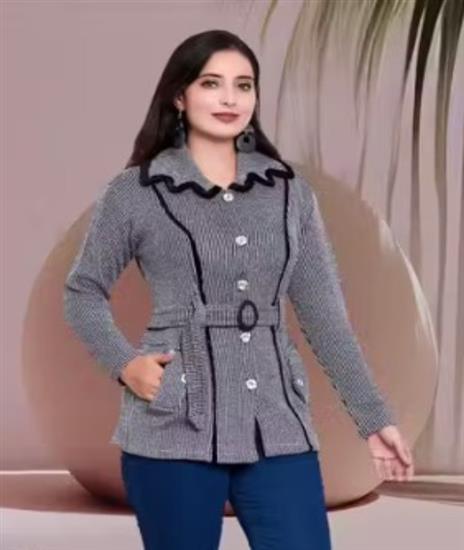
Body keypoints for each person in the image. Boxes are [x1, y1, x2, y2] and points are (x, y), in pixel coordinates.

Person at [63, 29, 414, 550]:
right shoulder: (136, 192)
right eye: (212, 83)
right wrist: (125, 364)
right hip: (173, 424)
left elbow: (324, 315)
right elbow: (82, 291)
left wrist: (373, 418)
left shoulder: (289, 192)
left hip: (277, 419)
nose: (230, 98)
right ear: (179, 96)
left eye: (243, 85)